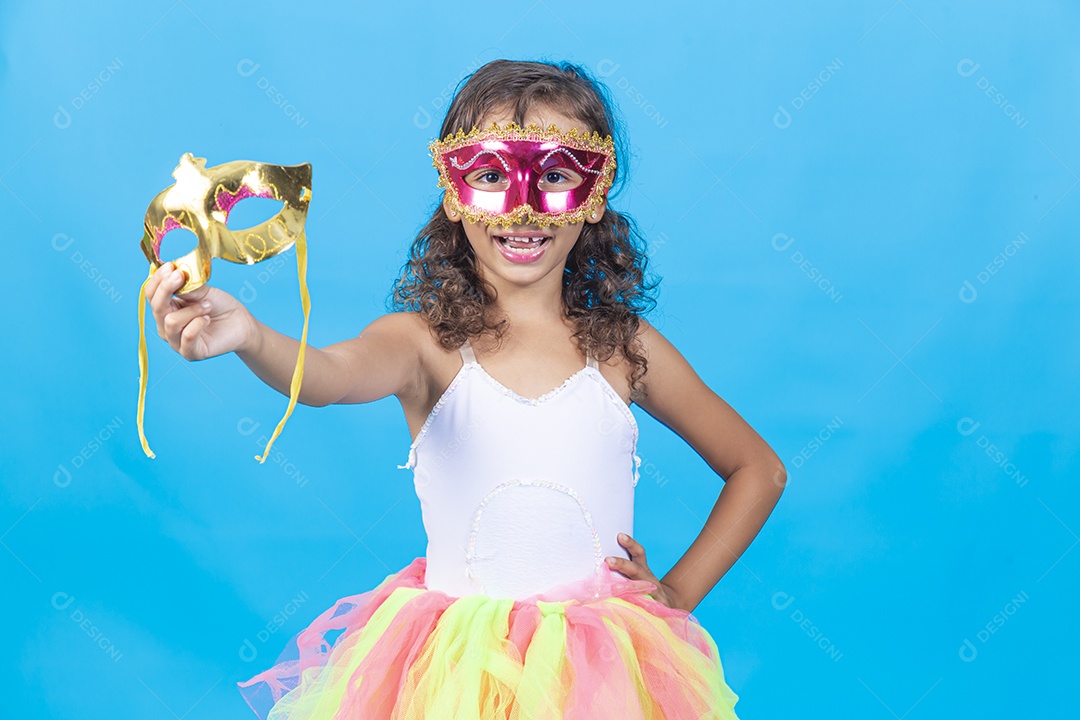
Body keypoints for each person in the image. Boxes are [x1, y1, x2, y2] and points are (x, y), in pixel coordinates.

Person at [144, 58, 785, 719]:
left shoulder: (626, 350)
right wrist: (250, 336)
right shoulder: (424, 345)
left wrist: (676, 596)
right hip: (451, 678)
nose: (523, 208)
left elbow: (757, 468)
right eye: (490, 176)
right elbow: (329, 378)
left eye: (557, 175)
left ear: (595, 192)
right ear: (455, 190)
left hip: (604, 683)